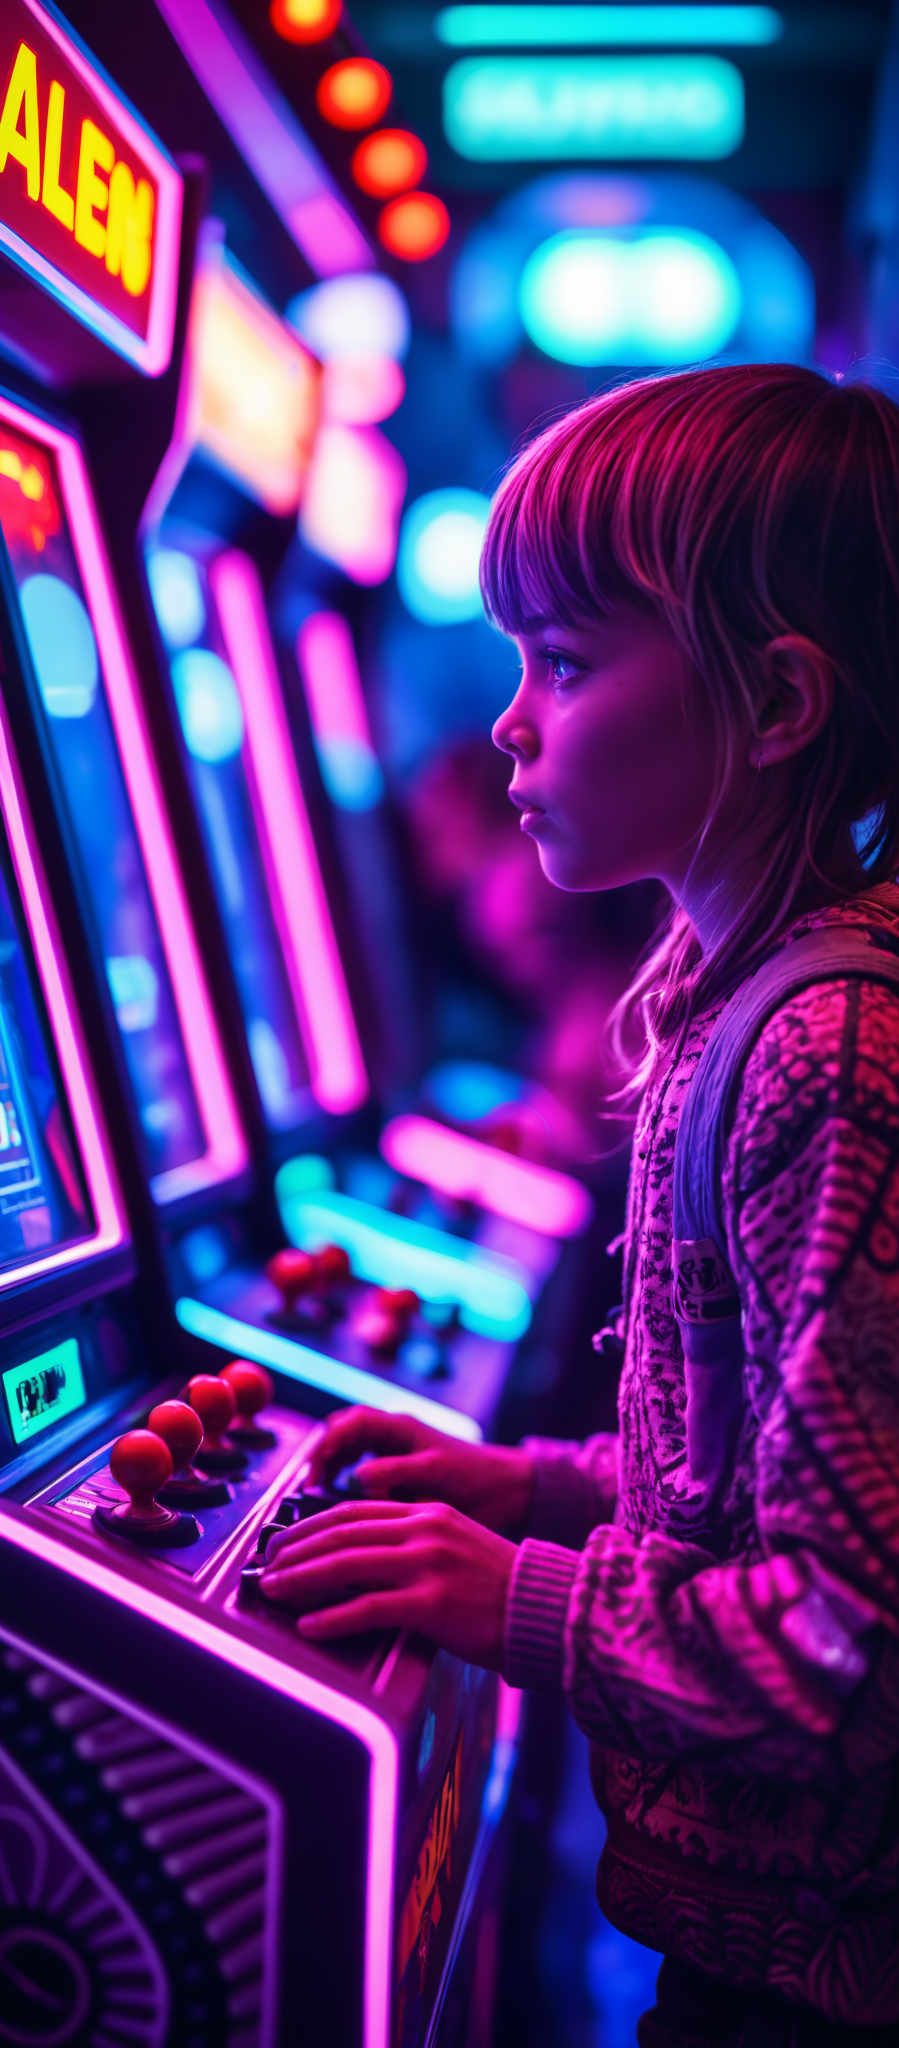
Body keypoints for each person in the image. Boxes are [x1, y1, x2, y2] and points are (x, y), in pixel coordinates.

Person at [259, 363, 899, 2044]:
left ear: (773, 707)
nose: (508, 723)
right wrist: (535, 1489)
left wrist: (514, 1598)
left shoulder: (828, 1049)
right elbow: (753, 1484)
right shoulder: (744, 996)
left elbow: (853, 1640)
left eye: (564, 662)